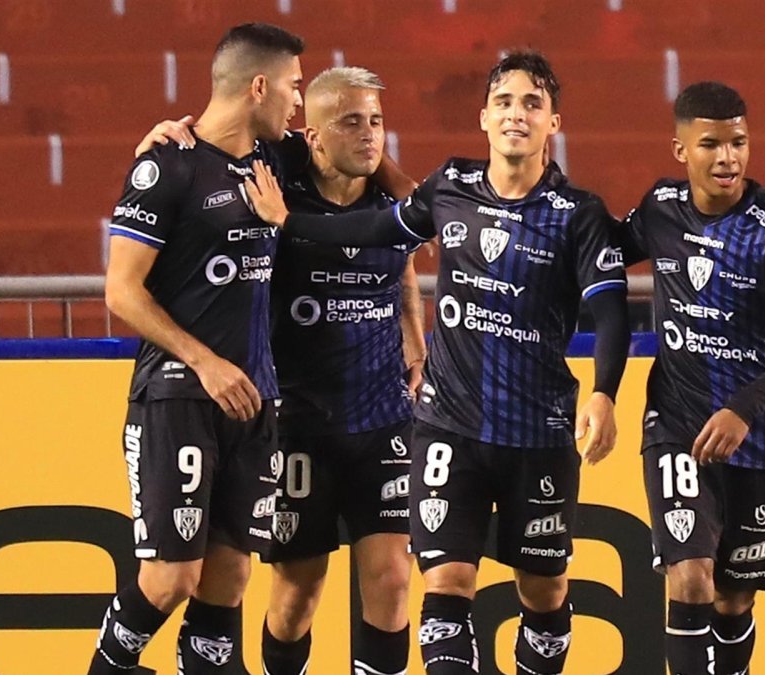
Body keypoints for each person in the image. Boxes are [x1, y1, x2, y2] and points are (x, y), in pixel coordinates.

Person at [245, 50, 631, 675]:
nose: (516, 114)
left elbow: (613, 314)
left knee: (545, 592)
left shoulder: (579, 214)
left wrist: (604, 392)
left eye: (532, 103)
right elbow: (378, 229)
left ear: (553, 122)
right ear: (483, 117)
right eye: (504, 102)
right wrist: (287, 220)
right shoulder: (450, 188)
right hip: (446, 428)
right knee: (438, 584)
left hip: (538, 432)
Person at [136, 67, 424, 674]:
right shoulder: (276, 184)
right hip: (296, 418)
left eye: (376, 122)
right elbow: (220, 140)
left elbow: (403, 264)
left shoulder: (392, 200)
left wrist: (414, 333)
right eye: (352, 122)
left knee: (394, 578)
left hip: (382, 415)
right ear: (313, 136)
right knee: (297, 592)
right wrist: (170, 139)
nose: (370, 136)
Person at [90, 22, 305, 674]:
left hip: (254, 399)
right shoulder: (168, 165)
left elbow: (362, 158)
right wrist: (204, 360)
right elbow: (121, 292)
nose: (298, 103)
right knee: (171, 576)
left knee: (230, 576)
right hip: (179, 394)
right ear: (259, 86)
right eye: (293, 88)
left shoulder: (278, 160)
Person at [619, 81, 765, 675]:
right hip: (678, 425)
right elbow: (603, 249)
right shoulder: (660, 209)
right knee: (690, 577)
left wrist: (744, 407)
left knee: (733, 598)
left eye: (738, 142)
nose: (727, 158)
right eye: (710, 143)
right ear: (681, 149)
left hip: (760, 435)